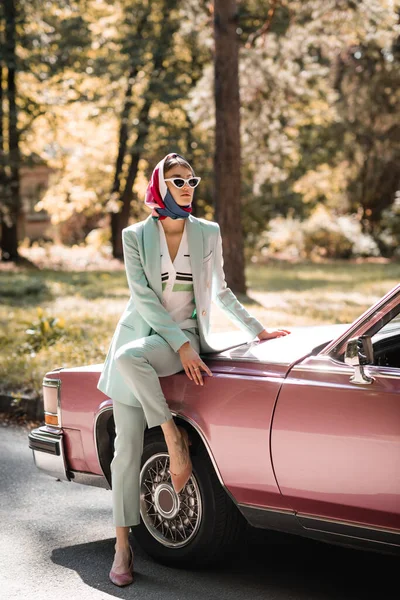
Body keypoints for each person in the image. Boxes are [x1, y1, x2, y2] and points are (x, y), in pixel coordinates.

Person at [97, 152, 291, 586]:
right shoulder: (134, 236)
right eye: (178, 181)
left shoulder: (207, 232)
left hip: (178, 340)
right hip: (147, 335)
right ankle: (123, 547)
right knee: (126, 450)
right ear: (160, 187)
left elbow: (220, 289)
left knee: (134, 358)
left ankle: (172, 437)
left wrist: (256, 330)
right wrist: (179, 345)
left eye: (192, 180)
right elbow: (143, 298)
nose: (187, 187)